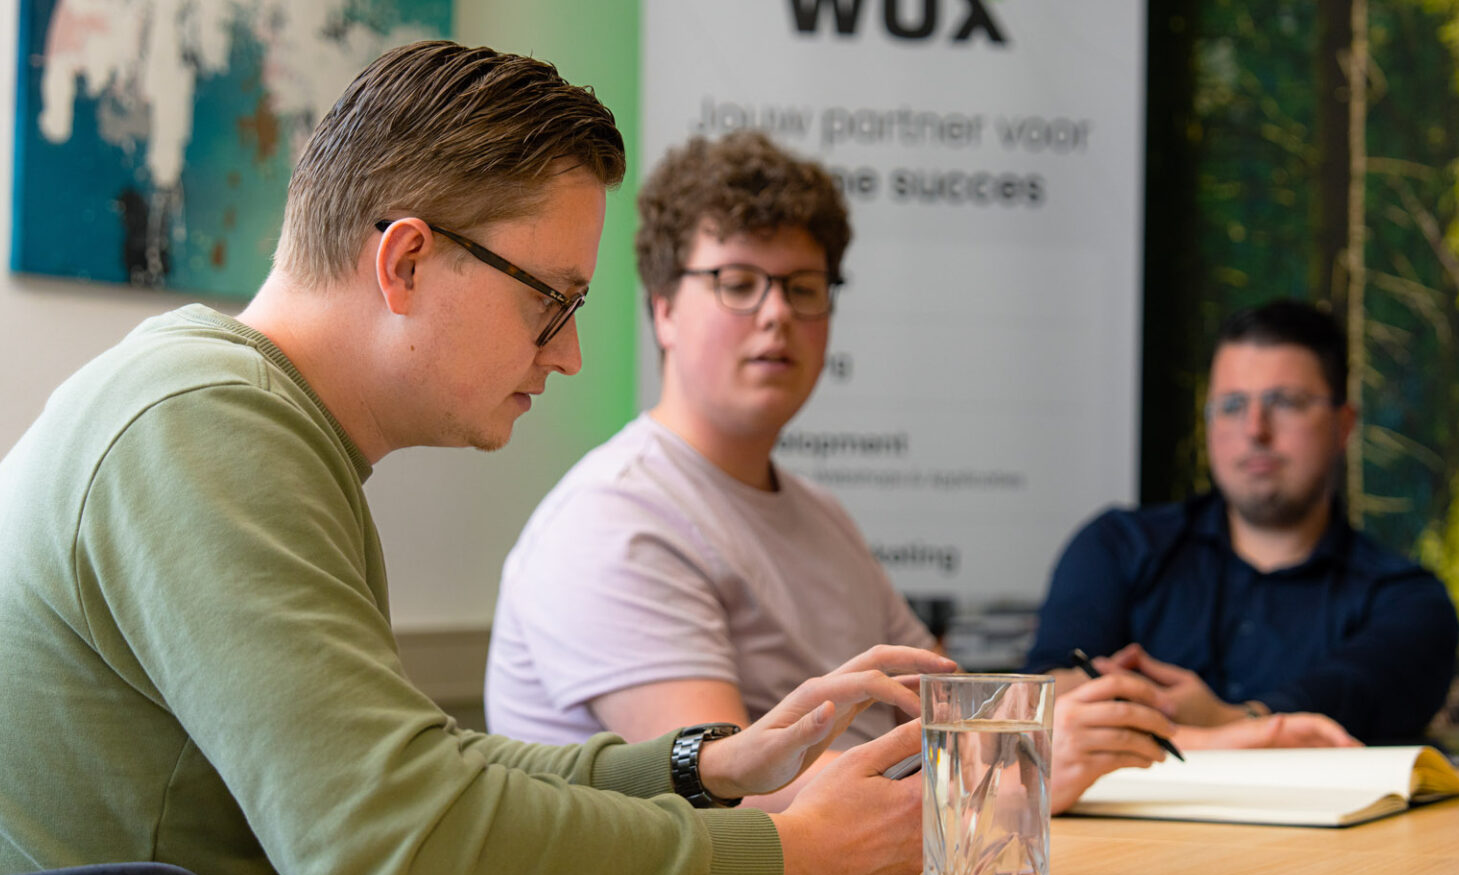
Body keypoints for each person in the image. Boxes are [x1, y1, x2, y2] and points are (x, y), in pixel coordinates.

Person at [0, 42, 953, 875]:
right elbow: (398, 839)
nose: (569, 352)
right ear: (405, 263)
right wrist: (787, 849)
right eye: (553, 299)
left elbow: (409, 768)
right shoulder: (201, 427)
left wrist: (700, 766)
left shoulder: (250, 418)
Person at [486, 130, 1181, 811]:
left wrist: (1122, 716)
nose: (777, 314)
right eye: (738, 283)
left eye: (804, 286)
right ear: (663, 310)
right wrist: (1015, 760)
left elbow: (947, 708)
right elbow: (738, 791)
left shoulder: (820, 514)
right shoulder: (612, 520)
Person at [1024, 299, 1459, 746]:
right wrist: (1078, 695)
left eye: (1285, 402)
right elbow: (1043, 695)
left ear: (1343, 425)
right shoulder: (1116, 547)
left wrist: (1231, 721)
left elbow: (1354, 691)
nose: (1255, 429)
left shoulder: (1407, 600)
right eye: (1232, 405)